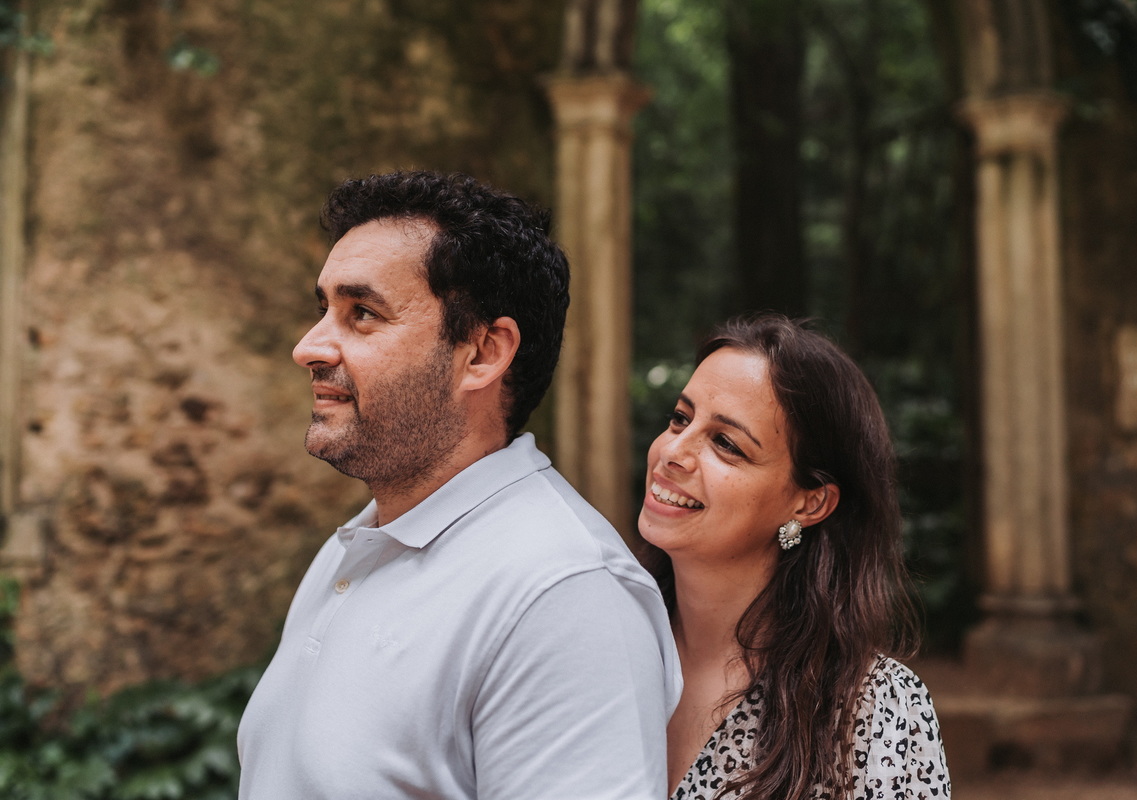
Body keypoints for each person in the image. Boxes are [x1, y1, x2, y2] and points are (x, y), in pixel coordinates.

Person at [237, 170, 681, 800]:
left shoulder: (564, 595)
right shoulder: (352, 550)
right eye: (324, 310)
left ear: (482, 353)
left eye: (362, 314)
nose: (308, 348)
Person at [638, 314, 950, 800]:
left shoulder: (872, 711)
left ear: (810, 503)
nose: (673, 451)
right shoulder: (596, 643)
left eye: (726, 443)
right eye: (680, 418)